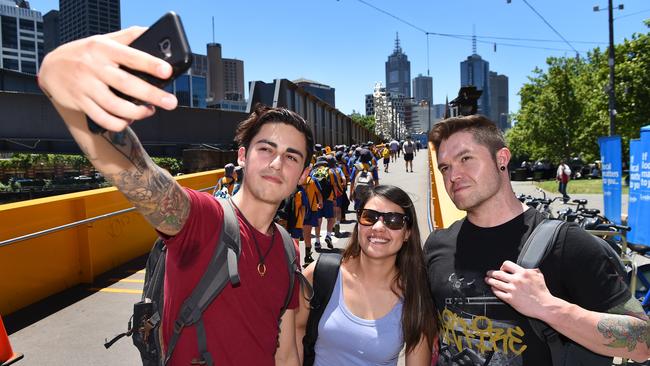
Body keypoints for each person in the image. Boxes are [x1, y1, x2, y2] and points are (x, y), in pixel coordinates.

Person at [37, 27, 316, 365]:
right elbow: (139, 175)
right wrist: (62, 82)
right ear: (241, 157)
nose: (276, 163)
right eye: (265, 149)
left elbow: (285, 351)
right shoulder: (202, 219)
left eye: (291, 156)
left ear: (302, 175)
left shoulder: (287, 248)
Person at [424, 115, 650, 365]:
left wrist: (548, 307)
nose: (453, 175)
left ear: (502, 159)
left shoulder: (565, 243)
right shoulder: (437, 245)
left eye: (465, 159)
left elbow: (644, 342)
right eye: (445, 167)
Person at [295, 185, 438, 365]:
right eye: (369, 217)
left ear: (408, 233)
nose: (378, 227)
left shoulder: (416, 296)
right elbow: (294, 335)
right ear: (359, 223)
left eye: (393, 220)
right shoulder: (320, 273)